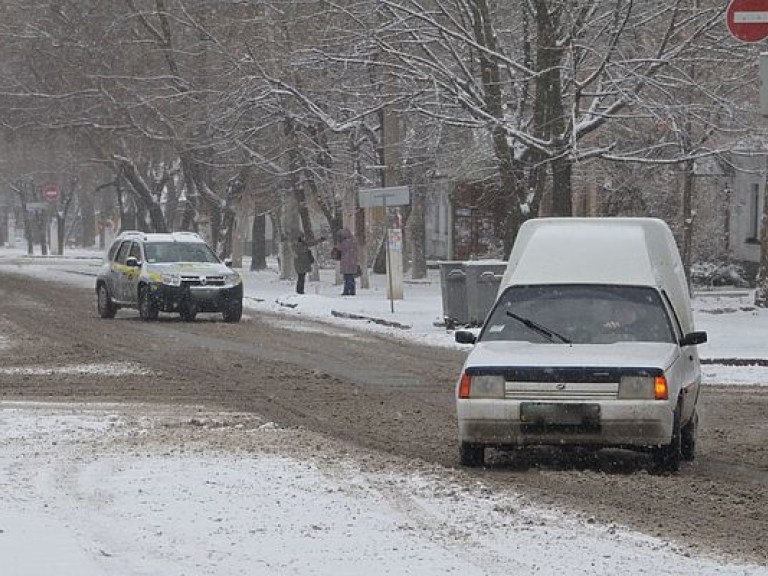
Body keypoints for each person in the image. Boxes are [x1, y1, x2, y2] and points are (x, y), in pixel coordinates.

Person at [334, 227, 358, 296]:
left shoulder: (345, 242)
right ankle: (352, 290)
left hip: (346, 262)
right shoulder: (353, 241)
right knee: (351, 277)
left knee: (347, 277)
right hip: (353, 262)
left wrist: (338, 242)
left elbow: (339, 248)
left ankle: (346, 291)